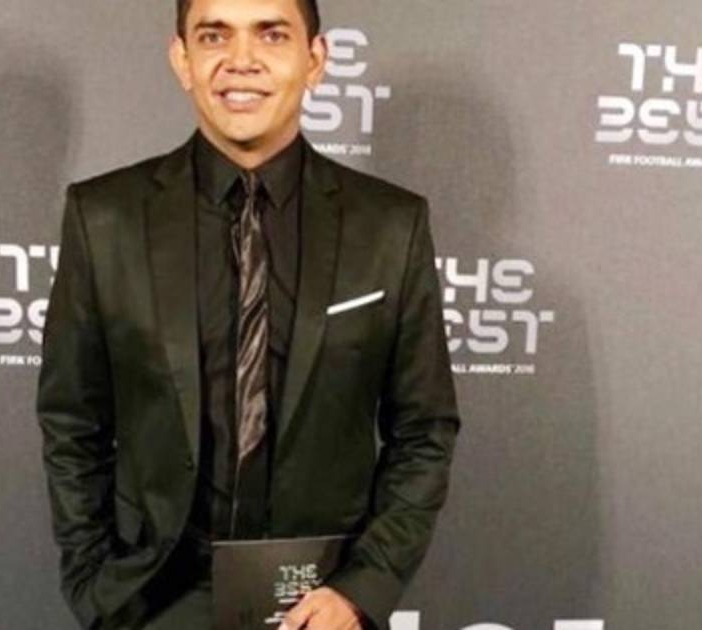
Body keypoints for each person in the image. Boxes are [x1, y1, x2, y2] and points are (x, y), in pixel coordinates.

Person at [36, 0, 461, 628]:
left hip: (319, 602)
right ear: (182, 58)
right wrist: (95, 584)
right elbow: (73, 420)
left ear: (315, 59)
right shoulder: (104, 217)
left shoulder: (390, 225)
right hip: (152, 601)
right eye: (214, 36)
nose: (241, 61)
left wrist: (361, 588)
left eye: (271, 35)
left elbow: (424, 429)